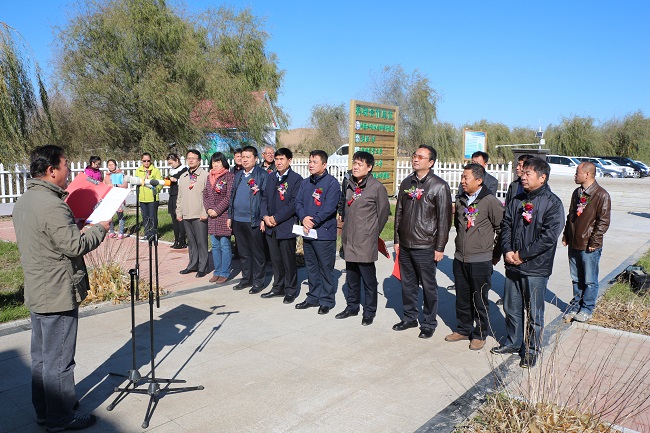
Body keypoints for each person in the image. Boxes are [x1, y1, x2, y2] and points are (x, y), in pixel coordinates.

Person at [13, 145, 109, 431]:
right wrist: (101, 227)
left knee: (42, 358)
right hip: (57, 291)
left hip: (39, 288)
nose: (70, 172)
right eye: (66, 165)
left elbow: (51, 239)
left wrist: (74, 225)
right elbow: (75, 246)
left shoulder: (27, 200)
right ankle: (59, 417)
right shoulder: (53, 205)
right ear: (51, 170)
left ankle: (46, 410)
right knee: (60, 360)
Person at [492, 157, 564, 368]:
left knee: (534, 312)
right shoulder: (517, 199)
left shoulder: (552, 203)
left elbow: (549, 237)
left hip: (535, 267)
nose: (522, 176)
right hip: (512, 263)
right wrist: (506, 250)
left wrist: (522, 254)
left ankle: (531, 350)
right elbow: (505, 225)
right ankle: (514, 342)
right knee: (511, 307)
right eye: (522, 173)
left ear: (542, 178)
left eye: (528, 174)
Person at [393, 145, 452, 338]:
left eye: (420, 156)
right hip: (406, 243)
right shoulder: (406, 183)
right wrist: (396, 239)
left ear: (431, 162)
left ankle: (428, 322)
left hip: (426, 245)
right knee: (407, 284)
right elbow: (399, 212)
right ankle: (409, 317)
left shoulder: (439, 186)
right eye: (414, 155)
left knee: (428, 286)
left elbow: (444, 220)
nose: (415, 159)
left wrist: (440, 247)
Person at [445, 163, 503, 350]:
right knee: (462, 297)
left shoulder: (489, 201)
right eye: (462, 177)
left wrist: (495, 253)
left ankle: (480, 333)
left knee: (479, 298)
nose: (462, 181)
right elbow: (458, 225)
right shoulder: (461, 199)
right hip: (460, 258)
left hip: (480, 260)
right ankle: (463, 329)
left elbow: (501, 228)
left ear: (479, 181)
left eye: (466, 178)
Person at [335, 151, 389, 325]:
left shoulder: (376, 187)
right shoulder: (349, 184)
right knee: (351, 276)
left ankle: (369, 311)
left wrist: (371, 232)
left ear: (369, 167)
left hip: (365, 240)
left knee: (368, 279)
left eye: (360, 164)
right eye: (354, 163)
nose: (356, 167)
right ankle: (352, 307)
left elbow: (383, 214)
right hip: (349, 239)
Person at [562, 161, 611, 323]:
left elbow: (603, 221)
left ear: (587, 174)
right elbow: (570, 216)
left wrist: (594, 241)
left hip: (589, 245)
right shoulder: (577, 193)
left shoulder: (601, 195)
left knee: (590, 279)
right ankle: (576, 305)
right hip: (574, 242)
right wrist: (566, 234)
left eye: (577, 172)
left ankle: (587, 308)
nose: (575, 175)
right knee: (576, 278)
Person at [294, 150, 340, 315]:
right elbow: (298, 202)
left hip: (324, 233)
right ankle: (313, 297)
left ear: (324, 164)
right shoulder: (305, 183)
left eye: (314, 162)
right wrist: (303, 217)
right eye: (309, 161)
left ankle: (327, 300)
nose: (310, 164)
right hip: (308, 232)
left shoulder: (332, 183)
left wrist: (313, 221)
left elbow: (329, 207)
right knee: (311, 267)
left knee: (325, 269)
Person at [260, 148, 303, 304]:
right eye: (276, 159)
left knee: (288, 260)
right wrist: (265, 216)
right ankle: (278, 287)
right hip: (270, 226)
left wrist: (276, 218)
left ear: (289, 160)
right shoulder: (271, 178)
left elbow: (293, 204)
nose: (278, 162)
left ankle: (290, 290)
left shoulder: (296, 179)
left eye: (282, 159)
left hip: (285, 226)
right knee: (275, 260)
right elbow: (264, 198)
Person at [228, 145, 268, 293]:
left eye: (247, 157)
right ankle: (246, 279)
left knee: (257, 252)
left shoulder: (262, 175)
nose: (244, 160)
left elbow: (265, 198)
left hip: (254, 220)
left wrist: (263, 218)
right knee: (243, 252)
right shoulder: (238, 175)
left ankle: (258, 281)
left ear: (255, 159)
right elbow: (232, 195)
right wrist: (230, 216)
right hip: (238, 220)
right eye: (242, 157)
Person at [176, 149, 209, 278]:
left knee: (201, 241)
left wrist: (204, 212)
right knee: (191, 241)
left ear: (199, 160)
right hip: (186, 214)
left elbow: (208, 196)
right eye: (188, 158)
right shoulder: (183, 177)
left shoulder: (205, 175)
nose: (190, 160)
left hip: (199, 213)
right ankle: (192, 264)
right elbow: (180, 196)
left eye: (193, 158)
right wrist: (179, 211)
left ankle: (203, 266)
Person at [203, 152, 234, 284]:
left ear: (223, 163)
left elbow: (229, 197)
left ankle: (225, 272)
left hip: (223, 215)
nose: (215, 164)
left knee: (224, 245)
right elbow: (205, 195)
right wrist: (209, 209)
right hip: (212, 216)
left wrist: (217, 210)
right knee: (215, 246)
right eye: (213, 162)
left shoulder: (229, 176)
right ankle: (217, 271)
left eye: (218, 162)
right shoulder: (209, 177)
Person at [134, 152, 163, 241]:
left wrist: (156, 190)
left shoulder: (155, 170)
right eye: (144, 161)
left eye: (148, 160)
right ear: (141, 161)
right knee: (145, 217)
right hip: (142, 198)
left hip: (152, 198)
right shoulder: (138, 170)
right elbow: (136, 181)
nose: (146, 162)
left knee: (152, 217)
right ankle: (147, 234)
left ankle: (154, 234)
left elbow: (160, 182)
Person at [166, 153, 188, 249]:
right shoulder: (172, 170)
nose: (171, 165)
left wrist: (176, 180)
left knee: (179, 218)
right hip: (172, 195)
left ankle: (182, 240)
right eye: (169, 164)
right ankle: (176, 239)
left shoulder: (184, 170)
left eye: (172, 163)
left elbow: (186, 181)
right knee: (173, 218)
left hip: (179, 195)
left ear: (177, 160)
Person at [103, 159, 128, 239]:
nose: (111, 166)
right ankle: (111, 231)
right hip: (110, 197)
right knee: (109, 216)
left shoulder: (120, 174)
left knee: (120, 215)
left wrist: (115, 185)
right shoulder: (107, 175)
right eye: (109, 165)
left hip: (119, 197)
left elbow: (125, 185)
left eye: (112, 164)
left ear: (115, 165)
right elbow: (104, 185)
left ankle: (121, 232)